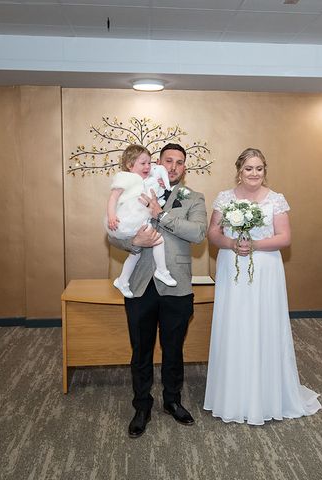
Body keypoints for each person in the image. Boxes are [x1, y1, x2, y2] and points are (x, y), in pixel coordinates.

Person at [203, 147, 321, 425]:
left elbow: (284, 237)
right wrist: (232, 243)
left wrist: (254, 244)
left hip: (266, 269)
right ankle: (231, 394)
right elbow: (213, 233)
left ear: (264, 171)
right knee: (234, 324)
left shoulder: (276, 200)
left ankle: (267, 394)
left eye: (259, 168)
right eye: (248, 169)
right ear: (239, 171)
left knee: (263, 324)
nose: (254, 174)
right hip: (232, 266)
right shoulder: (225, 198)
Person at [108, 143, 208, 438]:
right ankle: (141, 406)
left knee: (173, 348)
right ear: (157, 163)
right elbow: (113, 233)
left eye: (179, 162)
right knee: (140, 349)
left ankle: (172, 401)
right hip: (140, 284)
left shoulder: (194, 198)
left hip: (176, 286)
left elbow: (198, 233)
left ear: (184, 167)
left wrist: (160, 213)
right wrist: (133, 243)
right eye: (168, 160)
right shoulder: (135, 187)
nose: (174, 166)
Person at [106, 144, 176, 298]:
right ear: (130, 165)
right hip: (127, 218)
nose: (147, 166)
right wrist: (111, 216)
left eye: (149, 163)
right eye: (143, 163)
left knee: (136, 253)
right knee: (158, 239)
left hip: (139, 218)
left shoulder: (147, 180)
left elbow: (152, 199)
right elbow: (113, 198)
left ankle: (122, 280)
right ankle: (162, 271)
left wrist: (161, 186)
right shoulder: (125, 177)